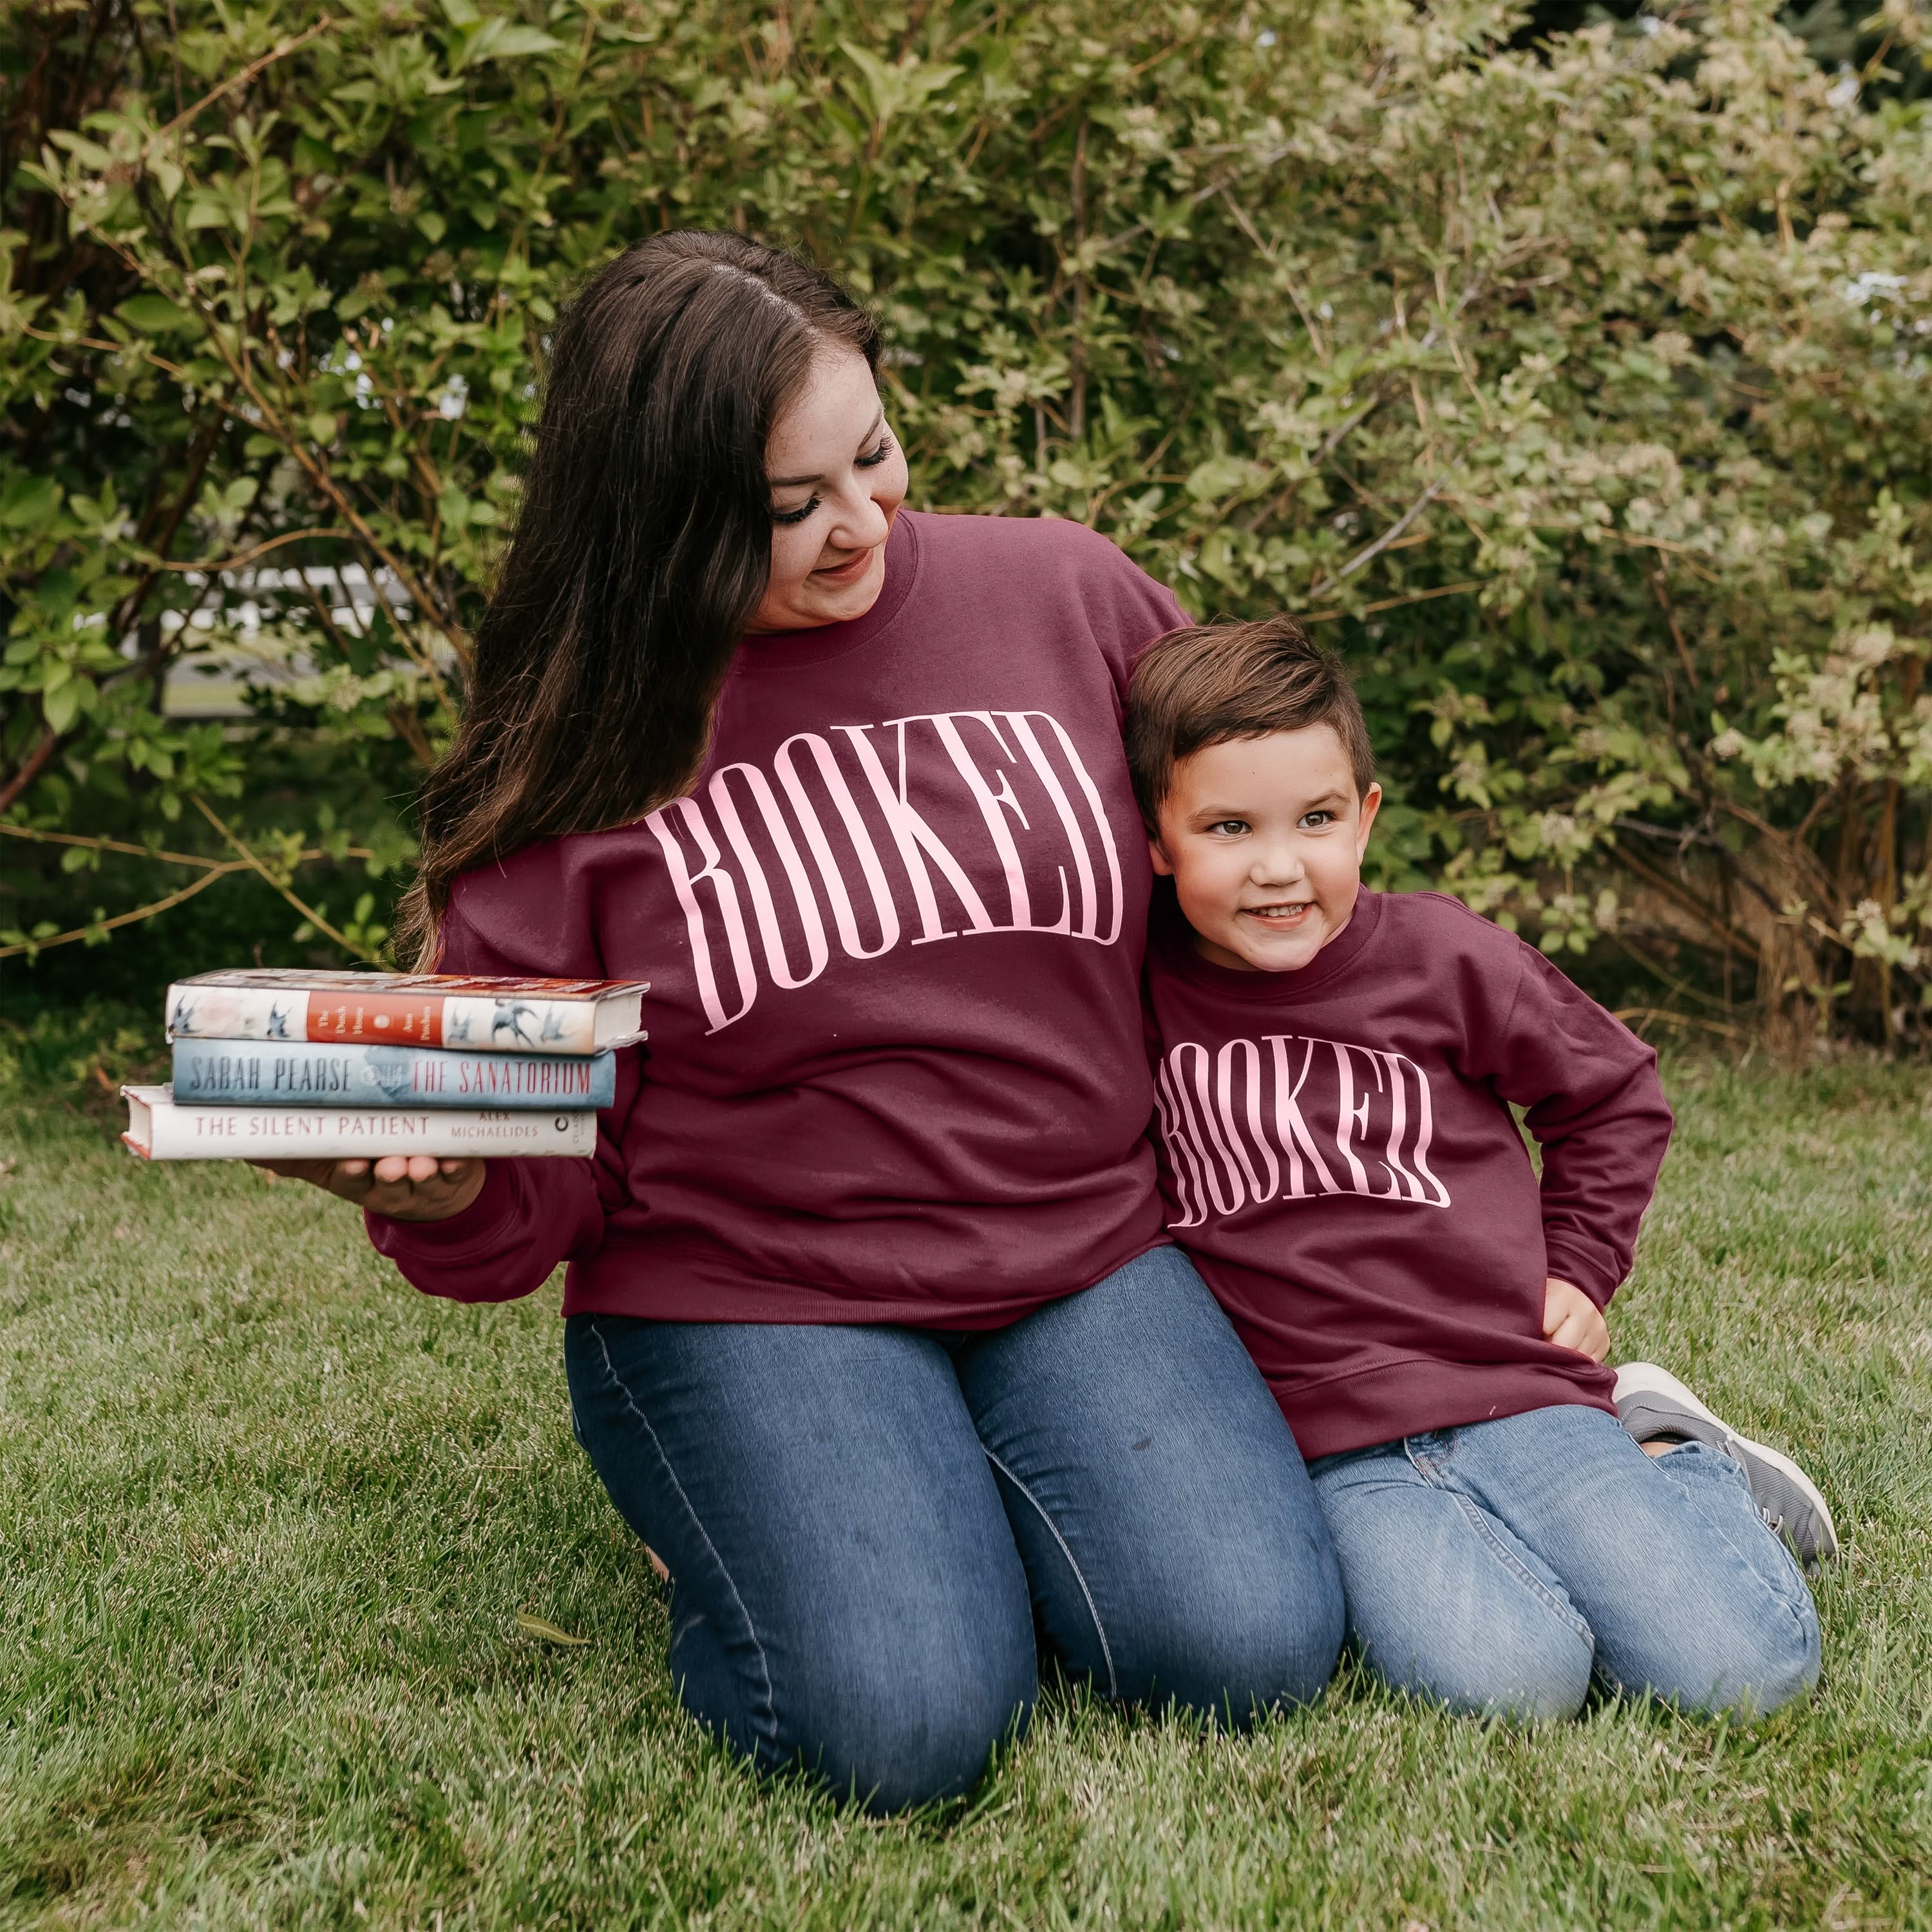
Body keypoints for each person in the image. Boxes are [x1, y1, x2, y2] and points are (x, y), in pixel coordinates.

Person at [262, 232, 1344, 1812]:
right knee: (900, 1728)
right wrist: (449, 1187)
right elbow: (539, 1190)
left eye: (876, 453)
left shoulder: (1067, 591)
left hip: (1079, 1249)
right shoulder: (581, 757)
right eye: (787, 510)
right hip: (751, 1287)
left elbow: (1244, 874)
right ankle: (753, 1507)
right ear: (661, 520)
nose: (863, 526)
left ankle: (939, 1495)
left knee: (1241, 1651)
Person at [1124, 615, 1832, 1723]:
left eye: (1314, 820)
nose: (1278, 866)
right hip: (1326, 1451)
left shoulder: (1441, 957)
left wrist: (1582, 1267)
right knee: (1516, 1686)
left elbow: (1612, 1094)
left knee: (1744, 1675)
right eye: (1227, 827)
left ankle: (1679, 1453)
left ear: (1365, 818)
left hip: (1511, 1381)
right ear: (1158, 843)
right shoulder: (1137, 995)